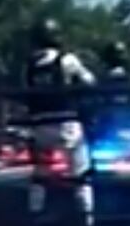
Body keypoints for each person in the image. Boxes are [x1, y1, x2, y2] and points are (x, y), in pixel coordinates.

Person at [22, 18, 96, 177]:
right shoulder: (67, 59)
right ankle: (83, 196)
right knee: (80, 168)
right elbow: (90, 81)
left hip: (39, 125)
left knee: (40, 172)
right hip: (66, 123)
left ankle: (37, 199)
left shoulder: (29, 65)